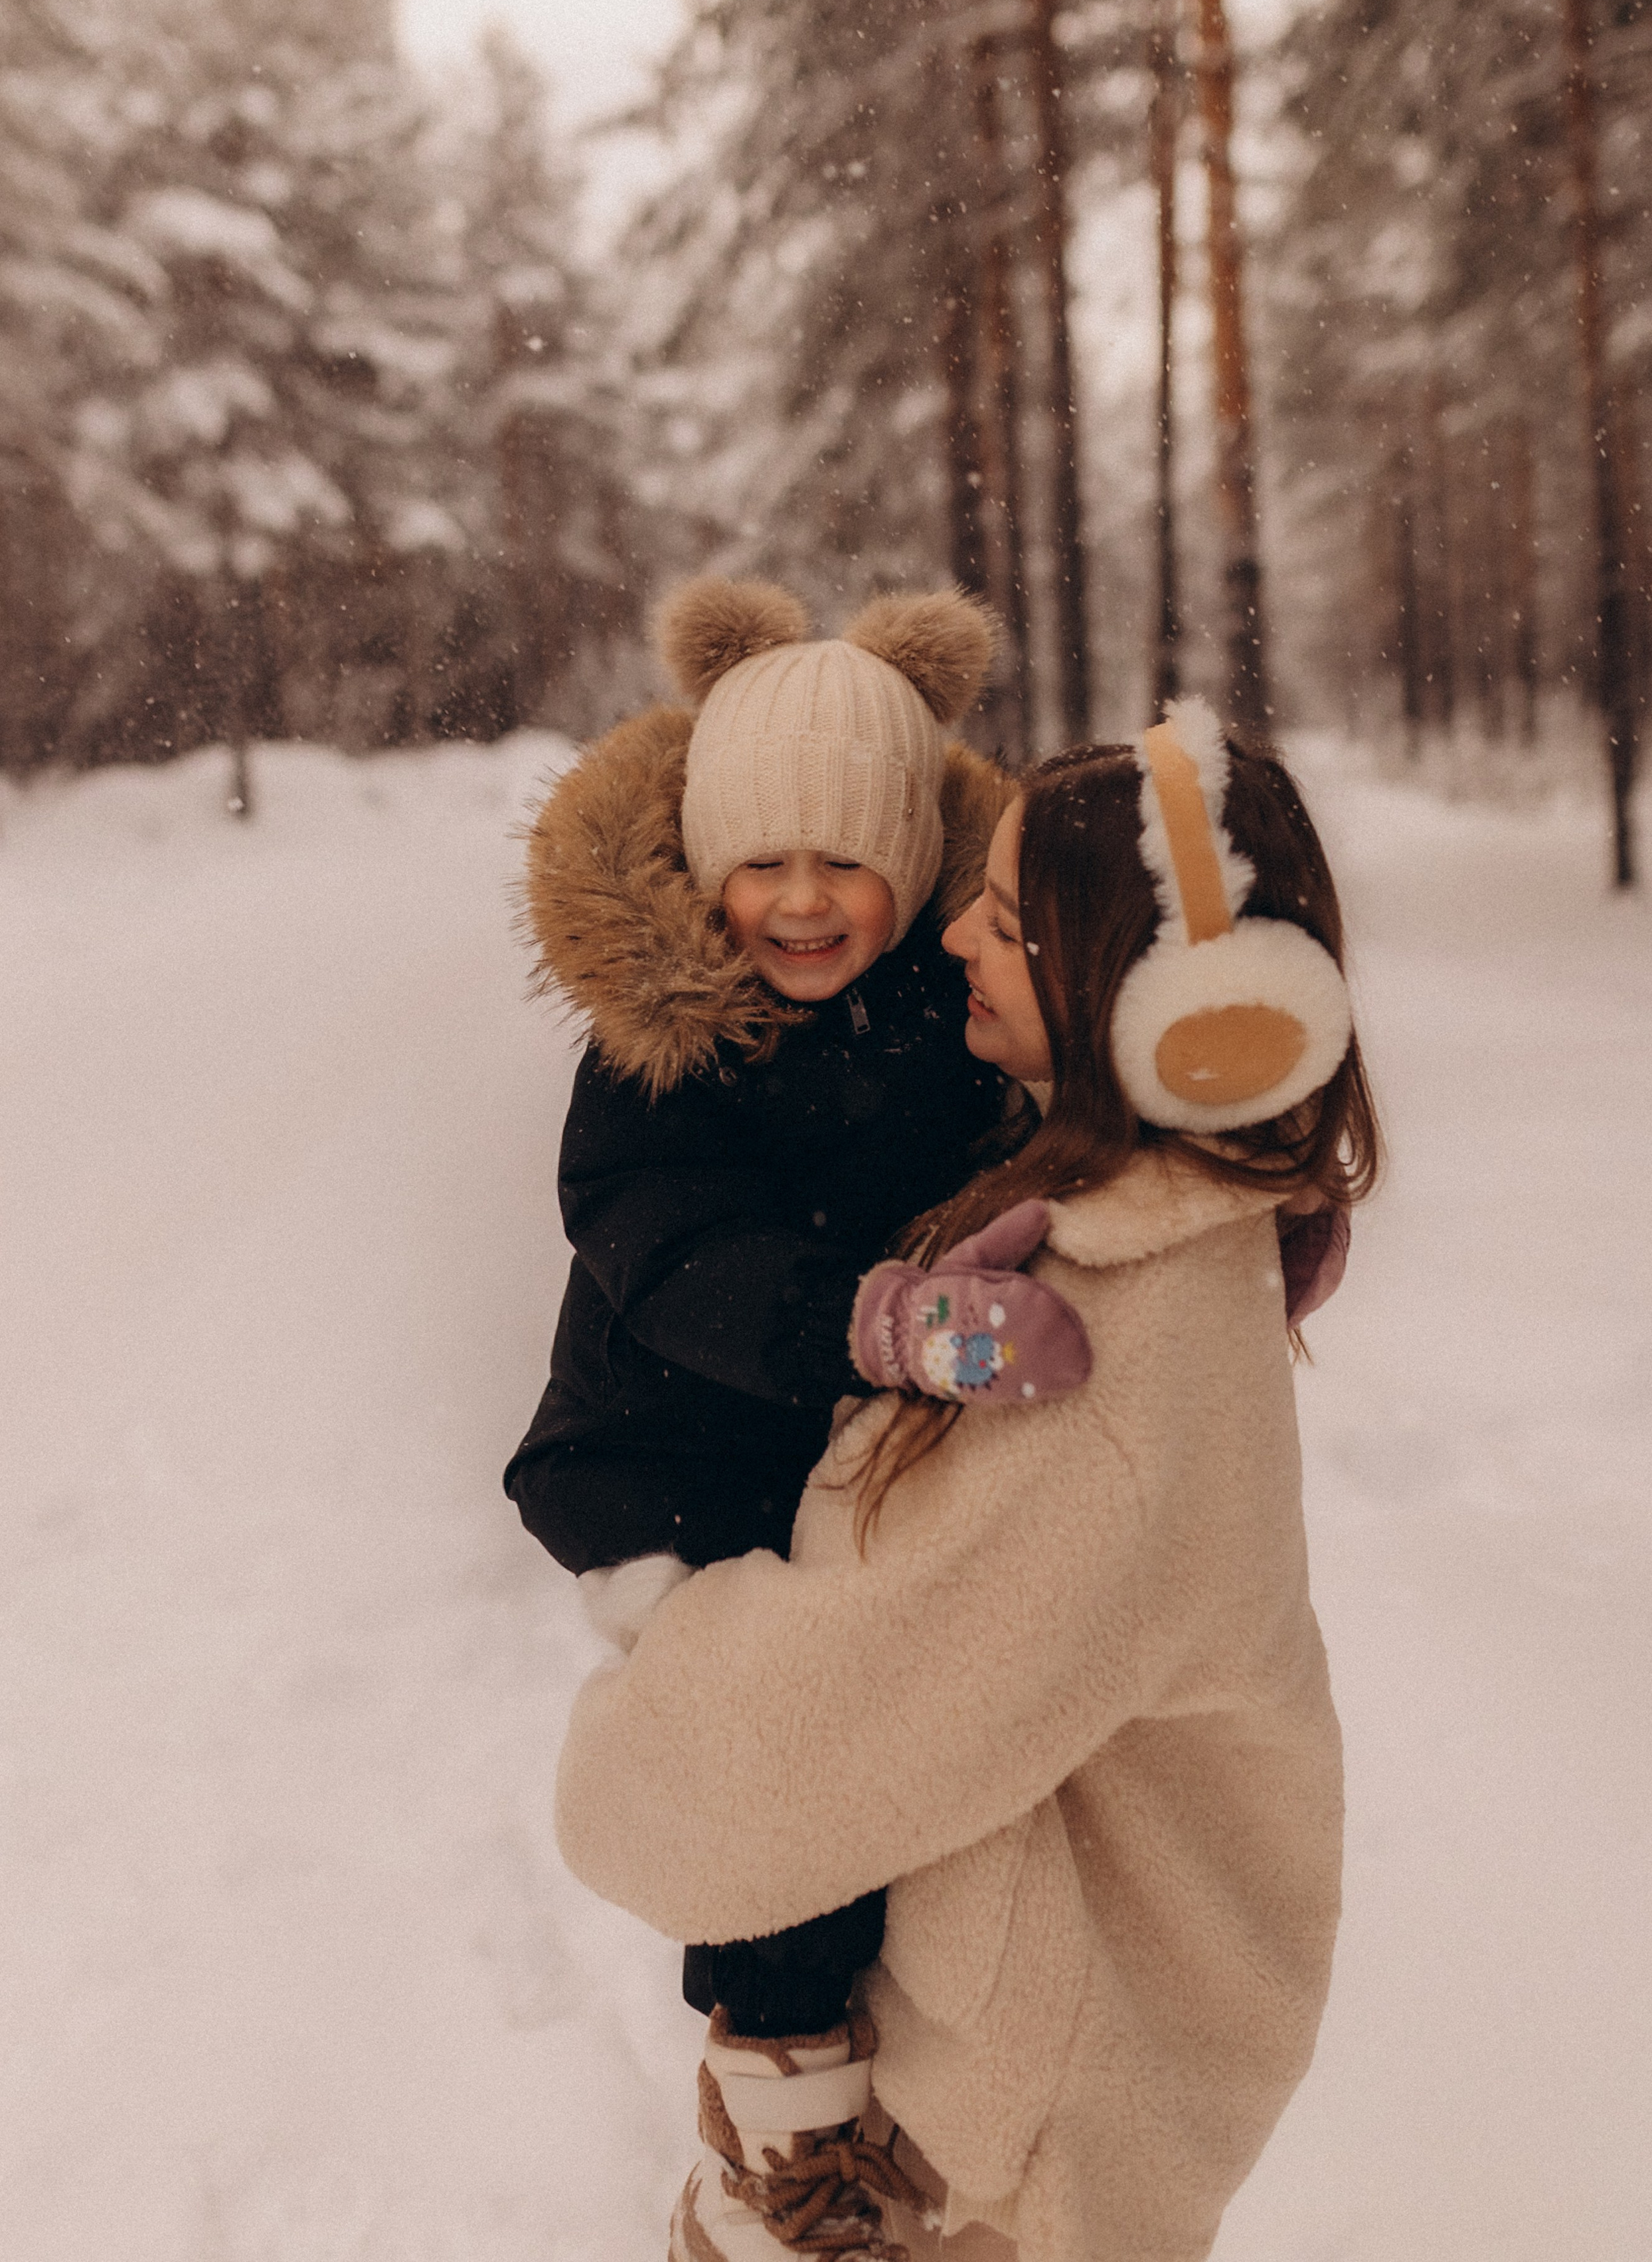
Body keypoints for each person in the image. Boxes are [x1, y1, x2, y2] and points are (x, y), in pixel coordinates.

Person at [551, 699, 1377, 2262]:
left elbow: (791, 1753)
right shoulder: (1111, 1214)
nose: (954, 953)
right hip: (1004, 2071)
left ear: (1136, 997)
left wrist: (645, 1712)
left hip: (1015, 2149)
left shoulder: (1103, 1354)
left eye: (996, 924)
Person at [504, 578, 1094, 2067]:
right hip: (672, 1471)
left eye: (845, 859)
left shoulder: (939, 1008)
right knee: (781, 1804)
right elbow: (675, 1249)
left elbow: (1045, 1135)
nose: (801, 899)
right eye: (760, 859)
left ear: (907, 863)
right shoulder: (665, 1049)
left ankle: (892, 2070)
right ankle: (775, 2123)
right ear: (708, 860)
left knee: (904, 1791)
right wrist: (888, 1327)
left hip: (828, 1457)